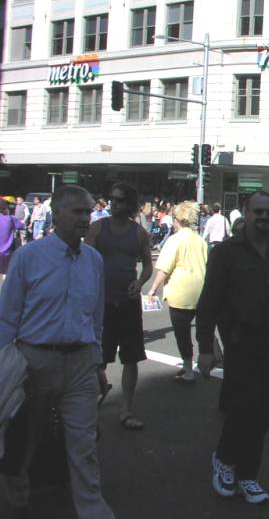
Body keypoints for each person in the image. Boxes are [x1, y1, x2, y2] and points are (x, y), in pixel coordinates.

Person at [0, 186, 116, 519]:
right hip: (34, 361)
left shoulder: (94, 260)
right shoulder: (29, 257)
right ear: (58, 214)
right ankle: (17, 494)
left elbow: (96, 318)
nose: (85, 218)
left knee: (83, 443)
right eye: (78, 211)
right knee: (26, 436)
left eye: (88, 211)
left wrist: (97, 363)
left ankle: (92, 509)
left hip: (80, 363)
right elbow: (7, 317)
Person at [196, 191, 269, 505]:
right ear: (246, 212)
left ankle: (246, 472)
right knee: (244, 407)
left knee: (267, 408)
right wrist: (205, 347)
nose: (265, 217)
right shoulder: (226, 252)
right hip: (239, 341)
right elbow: (209, 302)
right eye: (259, 212)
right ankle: (228, 461)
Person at [85, 182, 153, 430]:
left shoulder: (139, 233)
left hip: (128, 303)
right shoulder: (97, 228)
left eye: (120, 200)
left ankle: (126, 409)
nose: (114, 203)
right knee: (97, 359)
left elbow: (148, 265)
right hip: (101, 303)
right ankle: (89, 411)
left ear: (131, 204)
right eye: (112, 199)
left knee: (131, 358)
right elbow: (85, 259)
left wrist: (140, 282)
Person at [147, 201, 208, 384]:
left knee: (182, 334)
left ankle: (188, 370)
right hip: (200, 290)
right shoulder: (200, 240)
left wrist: (153, 289)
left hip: (181, 292)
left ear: (177, 220)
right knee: (202, 331)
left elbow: (164, 269)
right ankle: (201, 362)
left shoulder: (175, 240)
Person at [0, 200, 24, 282]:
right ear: (6, 208)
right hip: (7, 253)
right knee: (6, 275)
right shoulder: (11, 218)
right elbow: (21, 226)